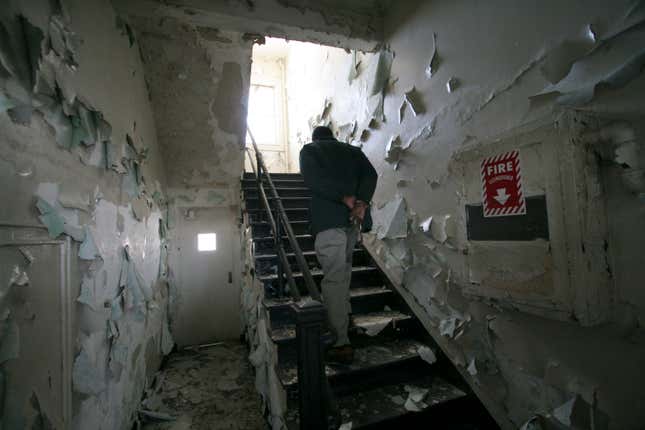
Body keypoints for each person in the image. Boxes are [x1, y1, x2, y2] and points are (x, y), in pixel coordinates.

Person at [299, 126, 377, 364]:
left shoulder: (310, 150)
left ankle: (340, 341)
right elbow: (371, 175)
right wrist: (361, 202)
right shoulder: (353, 150)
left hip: (328, 220)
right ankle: (346, 318)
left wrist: (343, 197)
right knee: (343, 275)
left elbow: (313, 179)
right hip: (352, 222)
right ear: (332, 135)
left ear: (315, 137)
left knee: (334, 278)